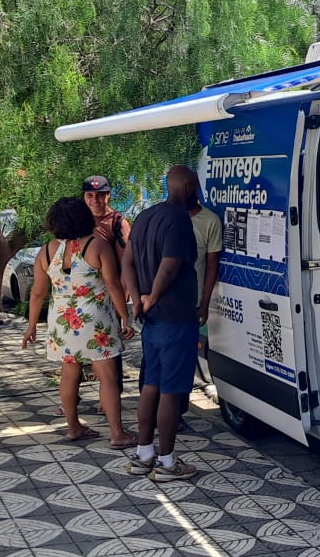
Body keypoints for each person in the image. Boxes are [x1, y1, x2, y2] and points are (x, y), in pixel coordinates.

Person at [21, 197, 136, 445]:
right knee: (106, 376)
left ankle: (73, 427)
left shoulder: (46, 251)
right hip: (96, 321)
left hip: (63, 322)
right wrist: (125, 316)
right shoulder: (96, 246)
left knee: (69, 374)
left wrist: (31, 326)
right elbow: (114, 285)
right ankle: (117, 433)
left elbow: (38, 293)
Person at [123, 166, 200, 481]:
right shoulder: (179, 220)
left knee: (151, 385)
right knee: (171, 390)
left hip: (151, 319)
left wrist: (137, 298)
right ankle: (167, 463)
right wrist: (153, 295)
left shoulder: (144, 216)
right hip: (175, 316)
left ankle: (144, 454)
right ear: (189, 186)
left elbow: (126, 261)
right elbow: (170, 265)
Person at [82, 175, 129, 400]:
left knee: (110, 350)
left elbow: (126, 264)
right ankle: (72, 399)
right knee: (76, 350)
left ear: (108, 195)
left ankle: (111, 397)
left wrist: (124, 303)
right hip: (81, 296)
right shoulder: (77, 220)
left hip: (109, 294)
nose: (95, 200)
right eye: (90, 195)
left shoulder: (118, 222)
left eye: (100, 195)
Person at [182, 176, 221, 420]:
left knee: (184, 362)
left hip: (191, 302)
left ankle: (177, 410)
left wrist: (204, 304)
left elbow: (211, 266)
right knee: (160, 362)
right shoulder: (161, 217)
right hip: (162, 304)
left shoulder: (209, 221)